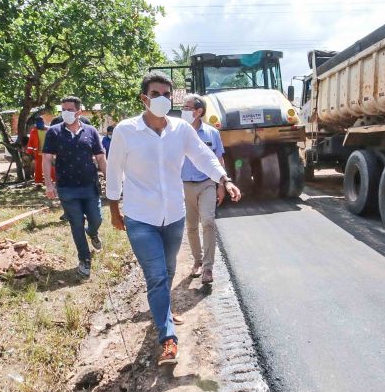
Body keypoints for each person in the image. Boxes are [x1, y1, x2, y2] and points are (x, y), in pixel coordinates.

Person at [106, 72, 242, 366]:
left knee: (167, 271)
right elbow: (114, 170)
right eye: (156, 94)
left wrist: (224, 179)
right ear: (144, 98)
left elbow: (203, 156)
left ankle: (163, 311)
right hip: (140, 217)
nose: (163, 99)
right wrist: (114, 209)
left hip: (174, 217)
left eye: (168, 94)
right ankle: (167, 339)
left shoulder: (181, 129)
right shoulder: (126, 131)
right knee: (155, 276)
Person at [42, 96, 107, 277]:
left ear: (79, 112)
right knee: (76, 224)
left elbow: (101, 158)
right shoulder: (54, 132)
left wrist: (110, 181)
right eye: (63, 109)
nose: (65, 112)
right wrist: (49, 184)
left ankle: (92, 232)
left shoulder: (91, 131)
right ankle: (84, 259)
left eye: (69, 109)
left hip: (90, 185)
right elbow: (47, 159)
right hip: (67, 188)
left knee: (97, 218)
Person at [180, 94, 226, 284]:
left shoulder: (212, 133)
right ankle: (197, 261)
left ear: (199, 112)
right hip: (184, 185)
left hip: (207, 183)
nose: (184, 110)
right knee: (191, 226)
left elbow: (218, 159)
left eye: (188, 107)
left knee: (207, 221)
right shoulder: (177, 132)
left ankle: (208, 267)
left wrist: (221, 185)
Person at [26, 117, 52, 185]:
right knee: (38, 168)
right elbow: (30, 144)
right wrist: (30, 153)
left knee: (51, 168)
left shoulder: (48, 130)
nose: (40, 123)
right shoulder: (34, 131)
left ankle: (53, 181)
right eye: (38, 122)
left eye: (41, 121)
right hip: (38, 154)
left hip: (48, 153)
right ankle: (38, 183)